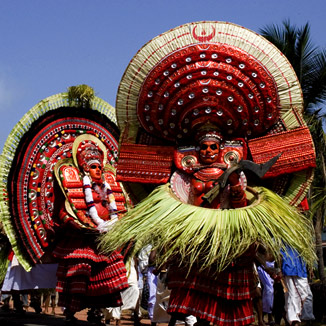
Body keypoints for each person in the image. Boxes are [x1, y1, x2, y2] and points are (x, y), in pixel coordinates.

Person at [52, 134, 129, 324]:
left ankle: (96, 311)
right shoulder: (73, 185)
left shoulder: (108, 187)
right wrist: (78, 225)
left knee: (102, 276)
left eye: (100, 167)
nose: (98, 170)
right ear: (85, 168)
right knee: (80, 275)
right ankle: (71, 311)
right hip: (81, 239)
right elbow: (63, 213)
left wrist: (117, 224)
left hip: (104, 238)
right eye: (94, 167)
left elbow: (118, 209)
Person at [281, 246, 311, 326]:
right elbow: (277, 253)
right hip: (289, 268)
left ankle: (287, 313)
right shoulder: (282, 240)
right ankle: (293, 320)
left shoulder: (300, 238)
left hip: (301, 268)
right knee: (292, 295)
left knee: (304, 293)